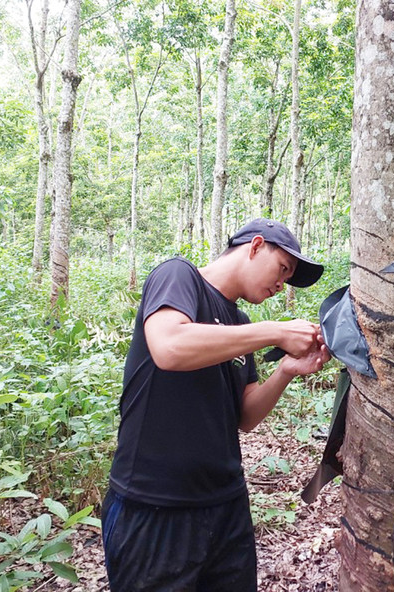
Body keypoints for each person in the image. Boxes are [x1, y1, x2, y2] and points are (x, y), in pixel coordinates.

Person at [102, 218, 330, 592]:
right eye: (282, 269)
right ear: (255, 246)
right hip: (154, 505)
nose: (281, 284)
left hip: (225, 505)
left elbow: (245, 415)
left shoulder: (239, 323)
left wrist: (286, 371)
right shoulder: (179, 276)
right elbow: (169, 346)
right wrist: (275, 330)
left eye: (288, 278)